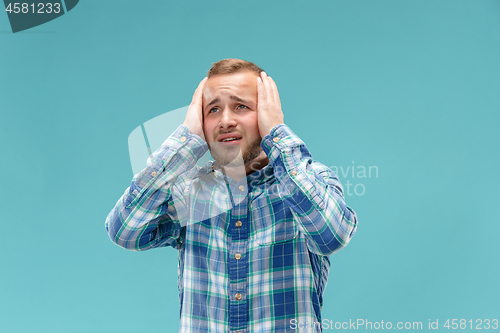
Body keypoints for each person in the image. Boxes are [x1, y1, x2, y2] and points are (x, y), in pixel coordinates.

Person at [105, 59, 358, 332]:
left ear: (265, 113)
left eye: (241, 106)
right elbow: (124, 232)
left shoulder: (310, 182)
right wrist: (185, 140)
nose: (226, 121)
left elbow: (332, 235)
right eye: (213, 109)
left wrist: (277, 132)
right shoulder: (189, 192)